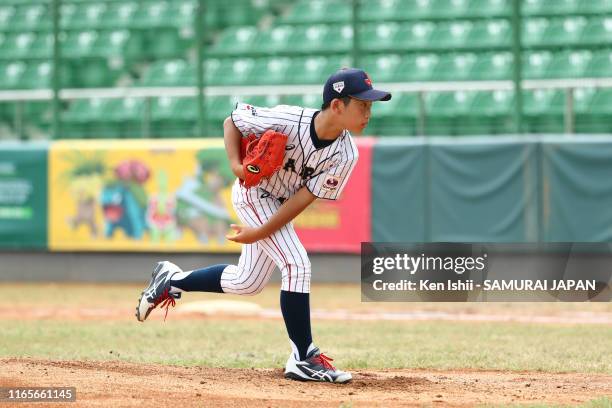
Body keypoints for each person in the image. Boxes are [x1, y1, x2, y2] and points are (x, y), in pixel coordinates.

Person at [136, 68, 391, 383]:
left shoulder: (345, 153)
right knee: (297, 264)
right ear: (337, 106)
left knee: (248, 282)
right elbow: (233, 121)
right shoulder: (286, 120)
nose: (368, 112)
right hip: (253, 192)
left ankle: (171, 279)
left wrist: (259, 232)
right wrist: (235, 165)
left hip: (278, 203)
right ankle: (303, 356)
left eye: (370, 106)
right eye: (362, 105)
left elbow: (302, 199)